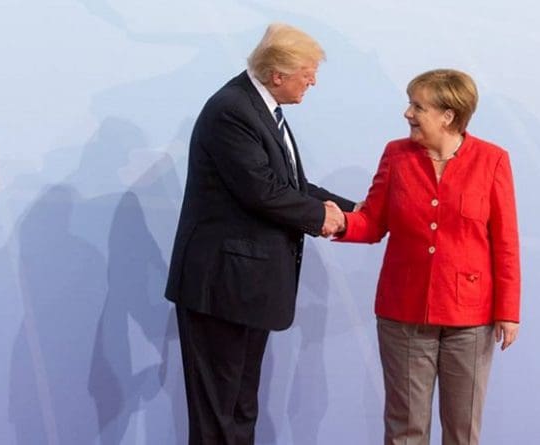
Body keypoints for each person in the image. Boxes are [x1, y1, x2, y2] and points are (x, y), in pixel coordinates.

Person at [164, 23, 354, 445]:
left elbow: (291, 187)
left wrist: (359, 213)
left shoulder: (260, 109)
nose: (313, 81)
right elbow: (263, 192)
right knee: (219, 413)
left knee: (240, 407)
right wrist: (326, 219)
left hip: (247, 290)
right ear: (278, 75)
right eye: (308, 72)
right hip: (221, 289)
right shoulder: (232, 110)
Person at [335, 69, 521, 445]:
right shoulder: (396, 155)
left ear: (447, 115)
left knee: (462, 431)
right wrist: (337, 223)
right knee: (405, 430)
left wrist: (508, 311)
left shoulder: (493, 160)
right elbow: (373, 222)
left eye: (417, 106)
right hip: (403, 312)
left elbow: (505, 241)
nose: (407, 114)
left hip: (470, 318)